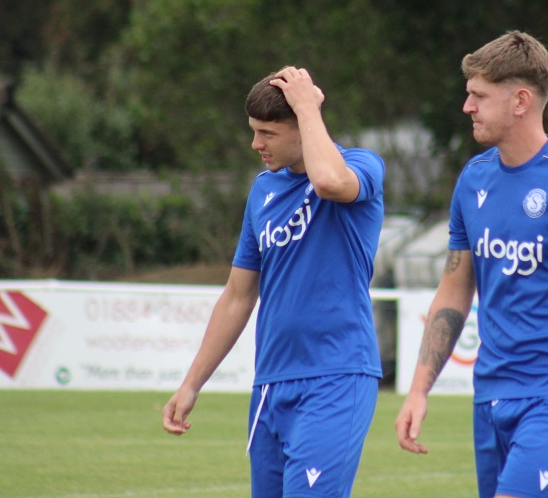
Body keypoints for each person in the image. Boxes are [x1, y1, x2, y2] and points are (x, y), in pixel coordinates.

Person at [395, 31, 548, 498]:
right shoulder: (473, 180)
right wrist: (417, 390)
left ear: (520, 101)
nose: (467, 106)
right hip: (489, 396)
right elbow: (453, 291)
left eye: (479, 96)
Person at [163, 66, 385, 498]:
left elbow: (328, 181)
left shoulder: (361, 165)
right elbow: (237, 297)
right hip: (271, 385)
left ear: (304, 124)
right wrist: (191, 384)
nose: (255, 144)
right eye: (253, 130)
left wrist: (306, 105)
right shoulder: (263, 191)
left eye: (267, 132)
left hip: (336, 376)